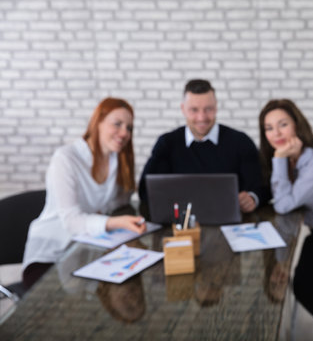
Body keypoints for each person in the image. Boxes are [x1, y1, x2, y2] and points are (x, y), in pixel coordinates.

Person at [22, 98, 146, 290]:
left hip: (87, 250)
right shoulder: (66, 158)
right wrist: (114, 222)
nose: (124, 133)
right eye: (117, 124)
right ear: (98, 122)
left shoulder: (116, 159)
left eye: (129, 128)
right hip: (52, 253)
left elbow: (116, 203)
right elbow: (72, 221)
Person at [259, 99, 313, 336]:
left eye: (282, 124)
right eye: (269, 128)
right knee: (305, 287)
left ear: (297, 124)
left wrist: (278, 159)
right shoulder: (292, 158)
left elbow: (285, 204)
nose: (276, 133)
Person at [138, 79, 268, 218]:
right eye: (194, 110)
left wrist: (252, 198)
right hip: (180, 225)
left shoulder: (240, 141)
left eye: (208, 109)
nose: (202, 117)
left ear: (216, 107)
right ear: (183, 109)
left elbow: (262, 186)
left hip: (230, 224)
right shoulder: (167, 143)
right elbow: (146, 190)